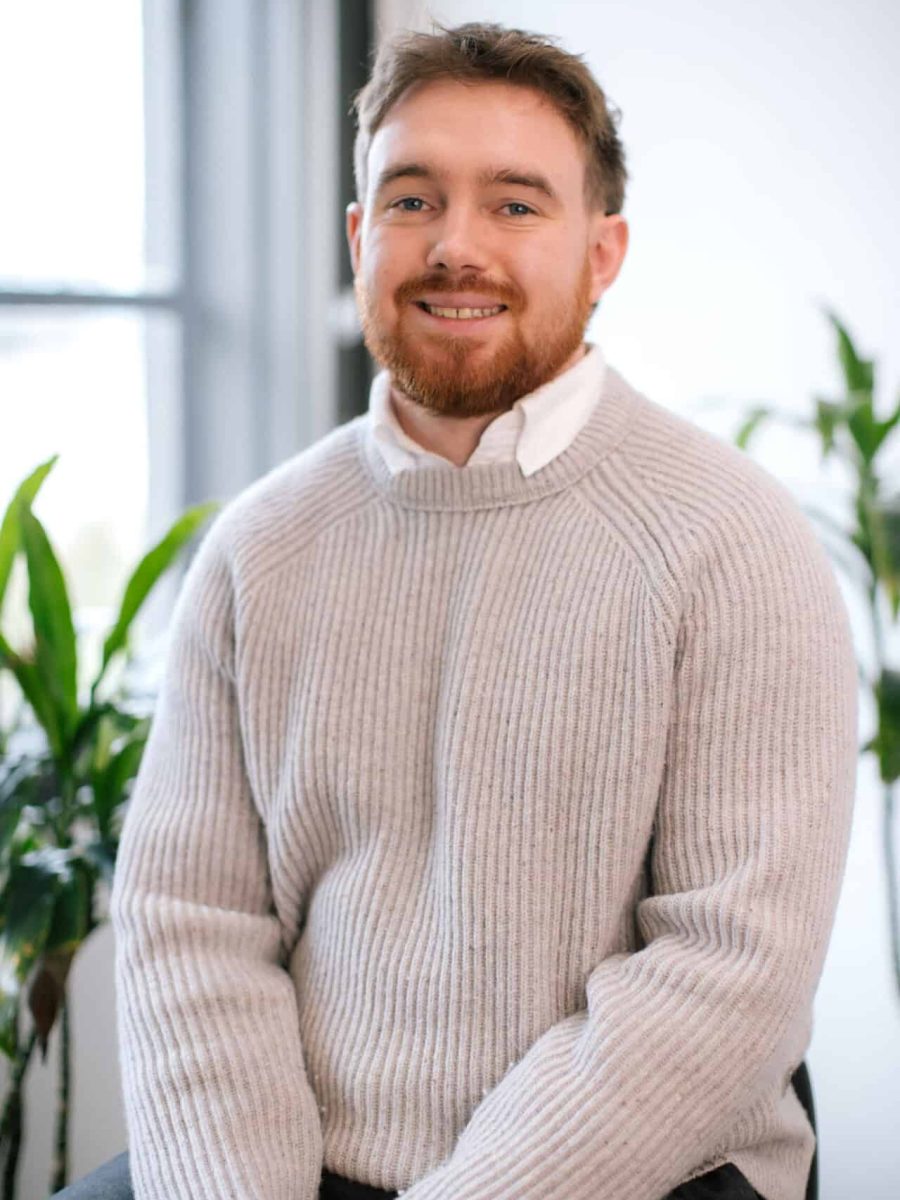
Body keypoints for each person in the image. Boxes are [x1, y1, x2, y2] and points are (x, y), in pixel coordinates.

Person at [108, 19, 858, 1200]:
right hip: (303, 1171)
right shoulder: (258, 550)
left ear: (603, 253)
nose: (456, 247)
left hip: (652, 1171)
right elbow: (189, 924)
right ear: (359, 236)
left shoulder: (735, 543)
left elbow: (729, 972)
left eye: (515, 205)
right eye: (412, 200)